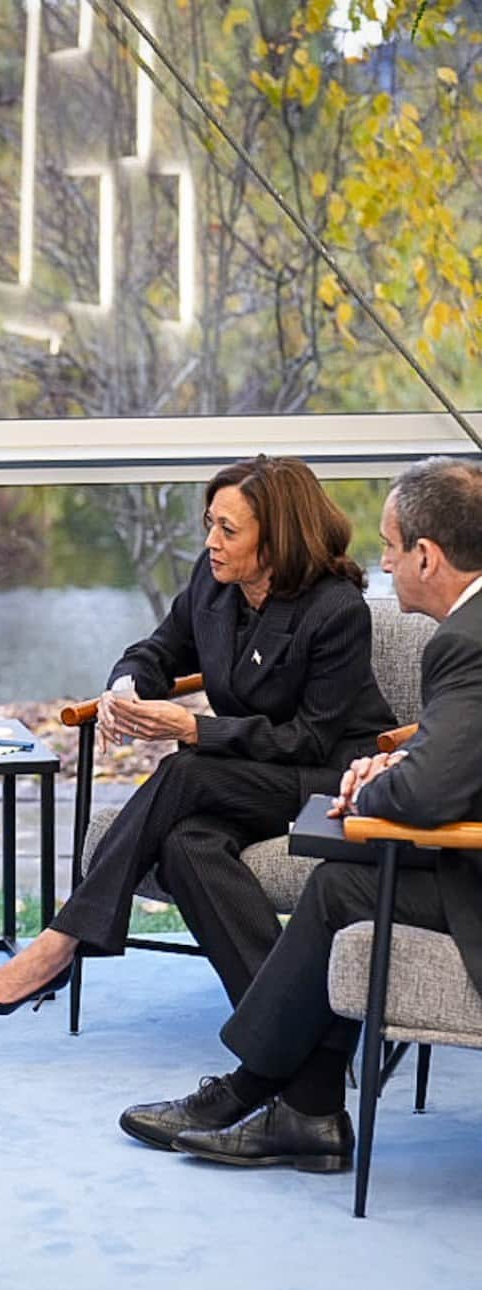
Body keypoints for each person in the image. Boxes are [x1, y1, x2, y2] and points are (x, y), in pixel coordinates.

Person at [118, 455, 482, 1170]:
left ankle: (259, 1094)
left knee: (334, 868)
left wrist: (366, 787)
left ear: (428, 556)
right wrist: (403, 764)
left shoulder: (464, 644)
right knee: (324, 879)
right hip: (436, 838)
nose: (380, 563)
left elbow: (424, 796)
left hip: (457, 864)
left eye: (389, 546)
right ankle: (307, 1109)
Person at [0, 455, 395, 1014]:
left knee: (185, 767)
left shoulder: (335, 609)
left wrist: (193, 727)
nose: (211, 540)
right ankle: (285, 1019)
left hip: (332, 779)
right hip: (245, 778)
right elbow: (157, 651)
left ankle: (58, 946)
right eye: (210, 522)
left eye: (228, 529)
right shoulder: (214, 583)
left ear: (277, 538)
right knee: (187, 845)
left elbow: (307, 739)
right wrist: (125, 687)